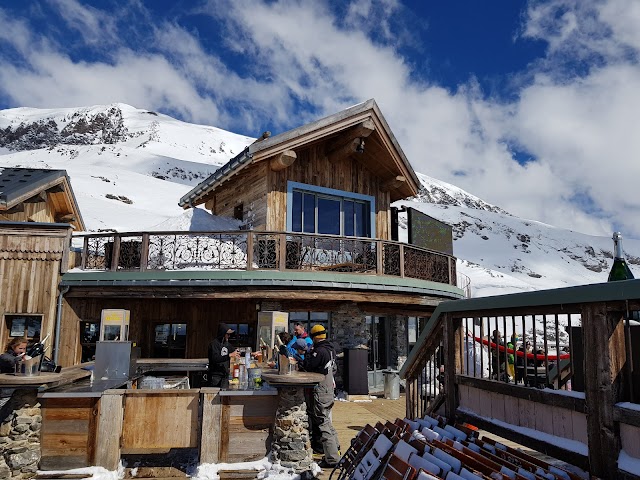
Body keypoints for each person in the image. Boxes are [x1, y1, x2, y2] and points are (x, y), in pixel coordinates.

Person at [301, 324, 340, 468]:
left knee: (322, 422)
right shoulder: (330, 349)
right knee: (327, 421)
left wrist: (303, 358)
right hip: (329, 389)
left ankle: (332, 458)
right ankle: (335, 449)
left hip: (322, 390)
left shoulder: (320, 351)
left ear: (315, 337)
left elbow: (309, 366)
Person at [208, 323, 240, 388]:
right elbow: (215, 359)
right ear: (222, 334)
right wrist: (229, 355)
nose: (229, 336)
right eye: (227, 334)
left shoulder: (227, 344)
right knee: (215, 396)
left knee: (224, 395)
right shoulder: (214, 344)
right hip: (215, 376)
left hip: (225, 375)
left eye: (230, 334)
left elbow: (236, 352)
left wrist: (250, 353)